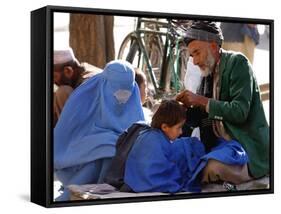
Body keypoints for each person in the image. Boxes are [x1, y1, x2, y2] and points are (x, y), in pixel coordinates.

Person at [176, 21, 269, 185]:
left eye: (197, 53)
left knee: (212, 168)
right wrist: (181, 111)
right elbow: (204, 115)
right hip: (219, 143)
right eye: (192, 56)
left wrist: (200, 100)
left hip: (243, 144)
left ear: (213, 46)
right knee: (181, 155)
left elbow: (240, 112)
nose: (195, 61)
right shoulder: (207, 73)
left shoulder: (238, 64)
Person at [54, 60, 145, 201]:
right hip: (84, 152)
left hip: (119, 153)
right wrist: (105, 141)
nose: (122, 96)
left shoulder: (133, 96)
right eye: (117, 90)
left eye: (127, 90)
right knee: (109, 149)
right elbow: (69, 132)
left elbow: (136, 129)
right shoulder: (86, 95)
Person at [124, 100, 205, 193]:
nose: (181, 132)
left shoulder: (146, 134)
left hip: (132, 183)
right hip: (151, 184)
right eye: (178, 127)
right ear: (165, 127)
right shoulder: (158, 142)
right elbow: (161, 173)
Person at [53, 48, 102, 126]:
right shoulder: (81, 70)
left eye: (55, 76)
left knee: (62, 92)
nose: (54, 82)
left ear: (68, 71)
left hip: (102, 131)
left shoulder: (88, 82)